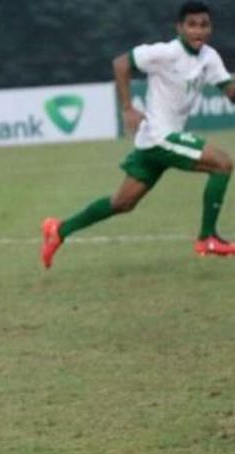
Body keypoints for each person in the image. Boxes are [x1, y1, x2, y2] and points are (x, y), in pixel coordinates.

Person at [41, 0, 235, 269]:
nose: (198, 31)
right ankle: (208, 237)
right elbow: (121, 63)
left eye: (204, 25)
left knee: (122, 203)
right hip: (160, 137)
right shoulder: (165, 53)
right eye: (191, 25)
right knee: (222, 164)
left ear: (210, 28)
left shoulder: (209, 57)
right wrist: (128, 108)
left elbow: (230, 91)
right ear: (179, 27)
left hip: (155, 143)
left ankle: (59, 230)